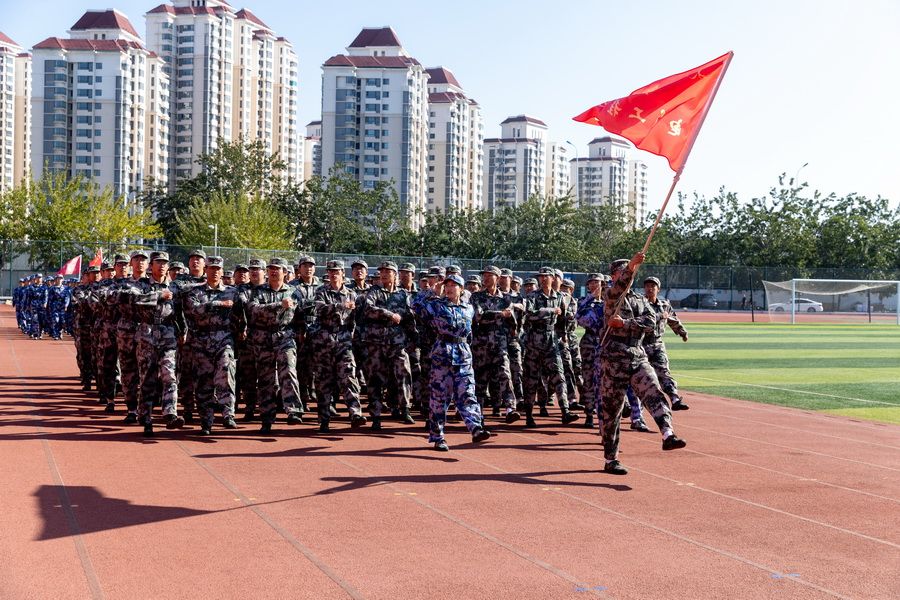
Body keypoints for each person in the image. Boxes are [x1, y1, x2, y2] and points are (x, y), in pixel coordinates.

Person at [599, 253, 686, 475]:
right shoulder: (610, 295)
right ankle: (611, 459)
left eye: (628, 271)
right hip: (614, 361)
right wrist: (631, 265)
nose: (627, 275)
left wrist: (625, 323)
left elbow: (650, 322)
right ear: (613, 276)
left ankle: (667, 434)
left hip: (637, 355)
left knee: (653, 391)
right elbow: (622, 287)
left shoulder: (640, 299)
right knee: (612, 412)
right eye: (621, 272)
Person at [414, 273, 491, 451]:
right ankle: (438, 437)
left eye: (453, 285)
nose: (449, 288)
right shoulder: (436, 305)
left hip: (463, 356)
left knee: (467, 393)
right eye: (447, 285)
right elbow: (415, 305)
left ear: (461, 289)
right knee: (439, 399)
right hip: (442, 356)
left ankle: (475, 428)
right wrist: (432, 291)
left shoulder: (469, 308)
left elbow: (472, 331)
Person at [129, 252, 185, 437]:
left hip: (168, 334)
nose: (161, 266)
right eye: (158, 262)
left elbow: (180, 310)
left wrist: (183, 330)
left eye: (164, 263)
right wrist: (160, 295)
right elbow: (134, 300)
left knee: (169, 375)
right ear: (151, 265)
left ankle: (170, 413)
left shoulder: (174, 286)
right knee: (148, 379)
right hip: (147, 334)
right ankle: (145, 417)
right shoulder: (141, 285)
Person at [246, 257, 304, 433]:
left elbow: (301, 315)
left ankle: (293, 411)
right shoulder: (258, 291)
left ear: (285, 272)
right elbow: (253, 310)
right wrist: (279, 305)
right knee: (266, 380)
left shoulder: (294, 292)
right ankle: (267, 417)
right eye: (271, 268)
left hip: (285, 336)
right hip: (263, 339)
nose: (273, 271)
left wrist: (301, 332)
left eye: (277, 269)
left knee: (289, 372)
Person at [183, 256, 241, 435]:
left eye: (218, 269)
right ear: (205, 270)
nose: (215, 272)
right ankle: (206, 421)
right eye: (211, 268)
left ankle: (228, 414)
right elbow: (194, 310)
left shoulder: (233, 292)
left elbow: (241, 315)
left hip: (224, 339)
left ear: (222, 271)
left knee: (226, 373)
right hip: (201, 341)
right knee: (203, 382)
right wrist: (218, 304)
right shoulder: (195, 291)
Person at [311, 260, 367, 432]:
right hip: (324, 341)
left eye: (337, 271)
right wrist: (340, 306)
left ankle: (355, 413)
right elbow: (319, 309)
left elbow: (355, 318)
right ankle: (324, 418)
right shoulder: (321, 291)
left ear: (343, 273)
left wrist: (352, 335)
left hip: (344, 341)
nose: (333, 274)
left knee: (349, 376)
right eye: (331, 271)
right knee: (324, 381)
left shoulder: (351, 293)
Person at [361, 261, 416, 429]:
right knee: (375, 379)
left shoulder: (403, 294)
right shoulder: (374, 291)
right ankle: (376, 415)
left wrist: (413, 338)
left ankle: (404, 408)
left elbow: (409, 317)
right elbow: (368, 309)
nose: (384, 274)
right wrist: (389, 314)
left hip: (397, 342)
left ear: (395, 275)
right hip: (376, 343)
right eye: (382, 271)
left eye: (388, 272)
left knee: (403, 374)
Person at [522, 267, 580, 427]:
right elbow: (530, 314)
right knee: (531, 380)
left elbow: (562, 320)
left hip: (551, 342)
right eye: (540, 277)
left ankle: (565, 412)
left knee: (559, 376)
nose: (542, 279)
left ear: (553, 278)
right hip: (534, 342)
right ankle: (529, 415)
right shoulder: (533, 296)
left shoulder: (559, 296)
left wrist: (564, 334)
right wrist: (550, 311)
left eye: (545, 276)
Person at [469, 265, 519, 423]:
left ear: (497, 278)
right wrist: (501, 314)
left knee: (505, 374)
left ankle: (510, 408)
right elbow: (479, 316)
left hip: (500, 343)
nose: (485, 278)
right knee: (480, 379)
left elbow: (512, 320)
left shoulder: (506, 298)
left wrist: (511, 328)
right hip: (481, 344)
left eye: (489, 275)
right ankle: (478, 414)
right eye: (484, 275)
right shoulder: (476, 297)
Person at [643, 276, 690, 410]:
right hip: (641, 345)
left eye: (653, 286)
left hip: (657, 344)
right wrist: (659, 316)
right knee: (641, 378)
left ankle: (675, 399)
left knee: (664, 372)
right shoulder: (639, 304)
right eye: (647, 286)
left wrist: (682, 332)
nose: (650, 288)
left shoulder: (664, 305)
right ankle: (634, 411)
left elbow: (672, 320)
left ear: (658, 289)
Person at [115, 250, 150, 424]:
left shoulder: (153, 283)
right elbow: (116, 298)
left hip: (146, 331)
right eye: (136, 259)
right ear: (131, 263)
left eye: (143, 260)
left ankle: (145, 409)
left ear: (148, 264)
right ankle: (131, 409)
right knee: (128, 372)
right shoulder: (122, 283)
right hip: (126, 332)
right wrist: (149, 298)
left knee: (146, 373)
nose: (140, 262)